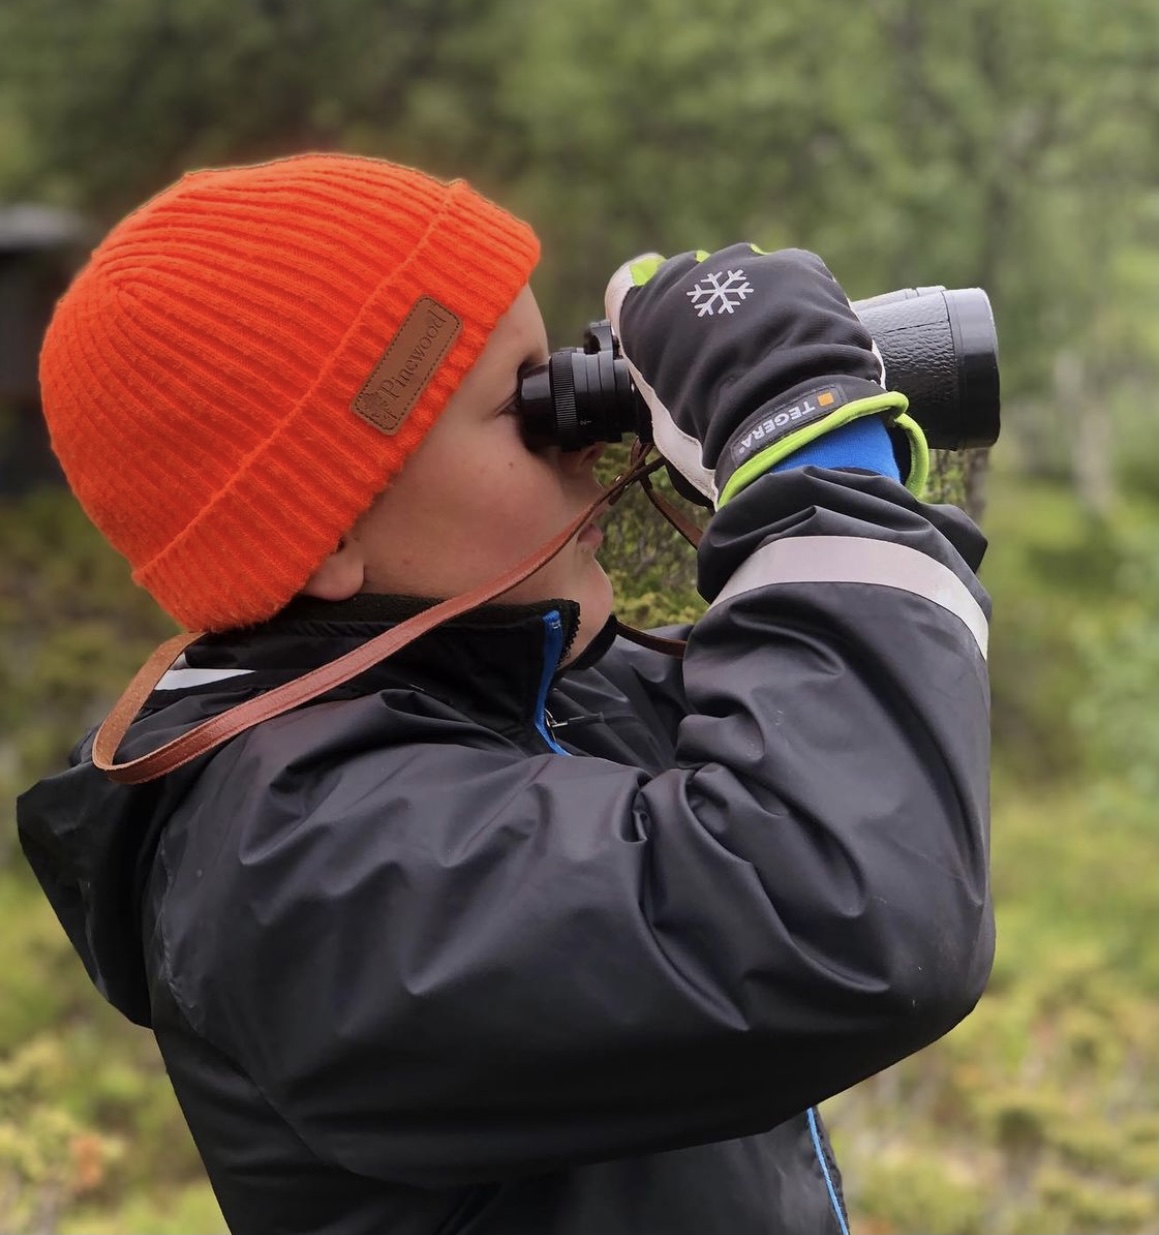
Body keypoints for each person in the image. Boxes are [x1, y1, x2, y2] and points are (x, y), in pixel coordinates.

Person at [16, 153, 994, 1235]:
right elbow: (845, 908)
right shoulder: (308, 863)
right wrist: (809, 450)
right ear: (325, 531)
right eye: (525, 404)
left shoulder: (538, 695)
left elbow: (854, 748)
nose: (589, 445)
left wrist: (773, 432)